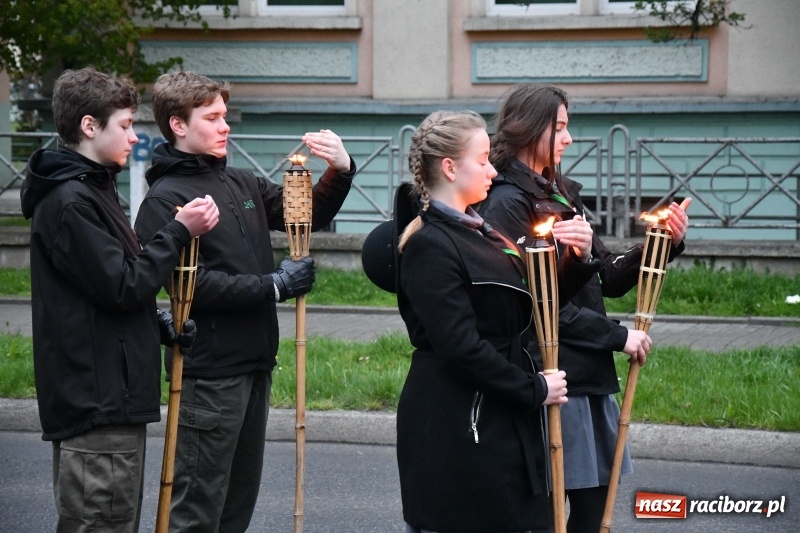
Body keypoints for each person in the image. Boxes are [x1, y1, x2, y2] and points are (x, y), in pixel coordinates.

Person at [133, 70, 357, 533]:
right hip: (210, 375)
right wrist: (274, 286)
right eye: (212, 117)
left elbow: (304, 215)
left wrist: (341, 169)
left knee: (236, 507)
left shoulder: (240, 183)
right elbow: (189, 288)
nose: (225, 126)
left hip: (255, 365)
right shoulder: (165, 199)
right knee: (197, 510)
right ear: (178, 125)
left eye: (225, 115)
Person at [478, 84, 690, 532]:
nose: (568, 139)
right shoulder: (505, 202)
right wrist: (618, 336)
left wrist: (662, 244)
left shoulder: (559, 192)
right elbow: (535, 304)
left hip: (587, 375)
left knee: (595, 511)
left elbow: (607, 275)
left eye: (566, 128)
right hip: (552, 372)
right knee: (550, 515)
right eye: (559, 128)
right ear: (529, 130)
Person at [19, 66, 220, 533]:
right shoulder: (71, 200)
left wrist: (157, 325)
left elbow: (102, 293)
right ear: (90, 126)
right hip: (96, 405)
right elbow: (122, 283)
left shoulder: (93, 187)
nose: (134, 138)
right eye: (125, 126)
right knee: (101, 522)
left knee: (113, 519)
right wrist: (178, 230)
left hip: (113, 397)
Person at [389, 110, 568, 533]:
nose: (492, 169)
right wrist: (533, 388)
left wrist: (573, 260)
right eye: (483, 159)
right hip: (459, 425)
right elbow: (460, 347)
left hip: (499, 414)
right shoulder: (430, 244)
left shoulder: (481, 230)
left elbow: (527, 303)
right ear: (449, 168)